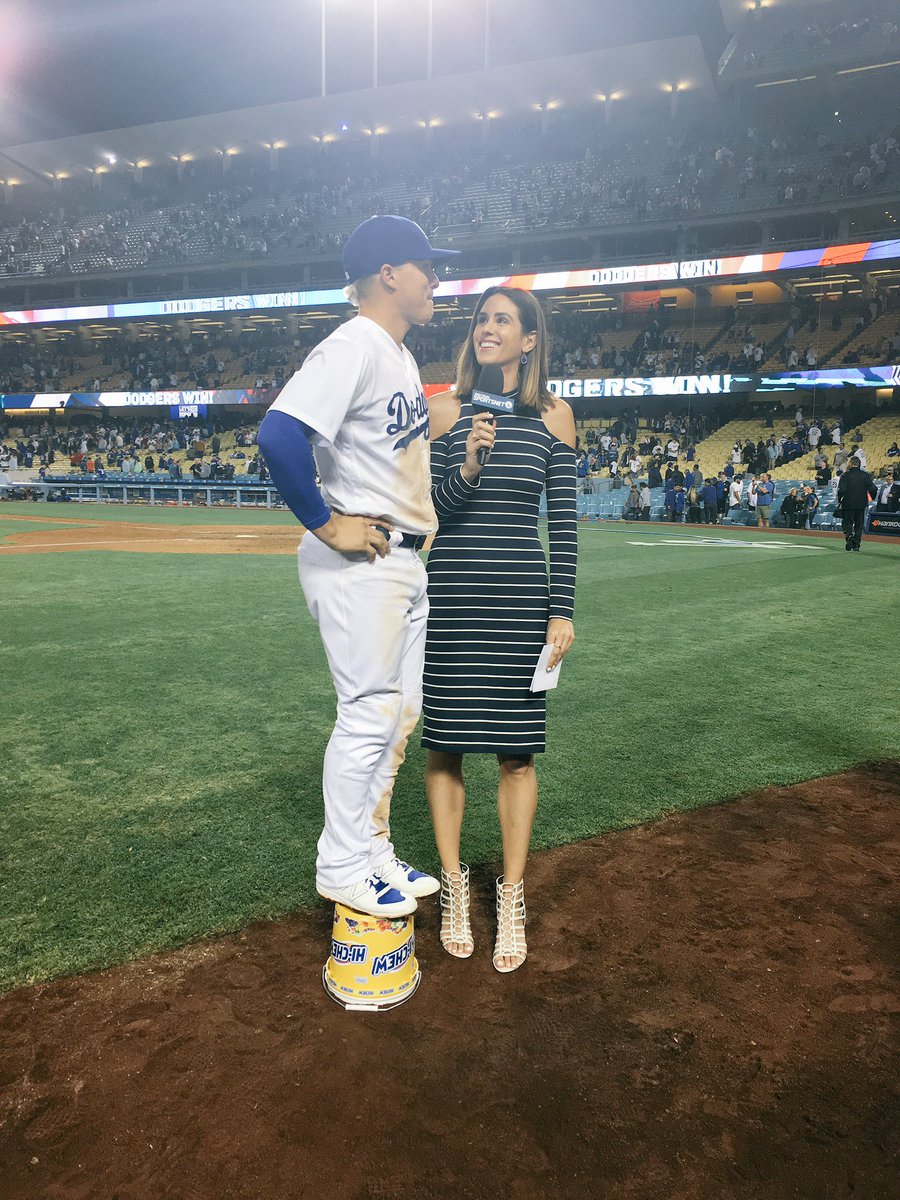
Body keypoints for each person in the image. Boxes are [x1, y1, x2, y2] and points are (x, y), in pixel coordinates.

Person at [256, 214, 460, 918]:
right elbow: (279, 434)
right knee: (369, 715)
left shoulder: (398, 356)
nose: (437, 278)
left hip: (403, 559)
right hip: (364, 559)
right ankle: (340, 863)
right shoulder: (355, 345)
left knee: (399, 716)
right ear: (388, 274)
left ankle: (370, 851)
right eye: (426, 265)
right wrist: (323, 520)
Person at [424, 285, 577, 973]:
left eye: (503, 320)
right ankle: (455, 889)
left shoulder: (555, 418)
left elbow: (564, 527)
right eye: (482, 318)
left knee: (517, 755)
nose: (488, 328)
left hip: (520, 601)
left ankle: (511, 896)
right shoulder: (444, 411)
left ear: (529, 340)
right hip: (452, 598)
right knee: (446, 747)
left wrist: (562, 609)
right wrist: (468, 465)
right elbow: (434, 515)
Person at [836, 455, 877, 551]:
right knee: (859, 524)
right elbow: (873, 489)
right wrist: (872, 498)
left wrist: (839, 499)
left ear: (850, 463)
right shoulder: (865, 475)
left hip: (848, 503)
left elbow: (841, 490)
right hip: (861, 503)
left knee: (847, 523)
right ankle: (856, 544)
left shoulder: (845, 475)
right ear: (859, 464)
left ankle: (849, 537)